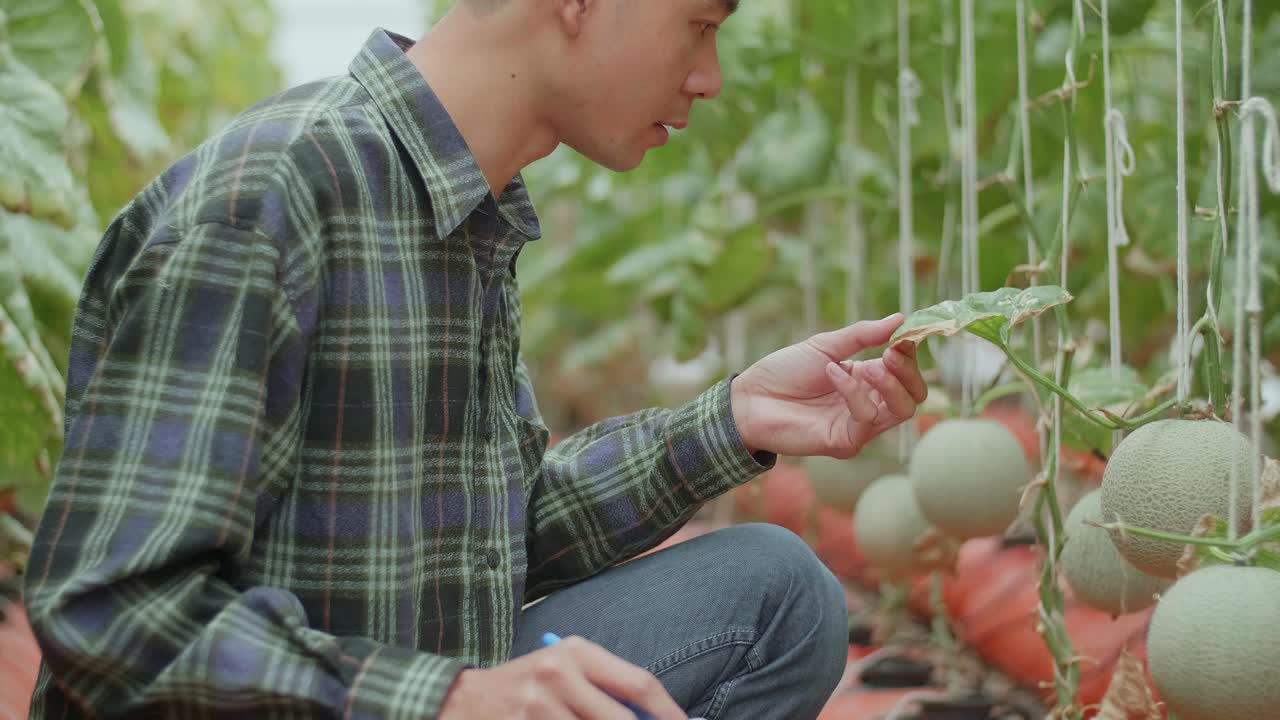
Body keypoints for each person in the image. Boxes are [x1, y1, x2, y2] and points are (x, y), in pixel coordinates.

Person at [22, 1, 928, 718]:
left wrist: (729, 421)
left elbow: (492, 541)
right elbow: (107, 614)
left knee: (778, 596)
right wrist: (449, 699)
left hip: (411, 680)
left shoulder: (467, 215)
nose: (710, 77)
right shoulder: (267, 199)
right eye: (699, 23)